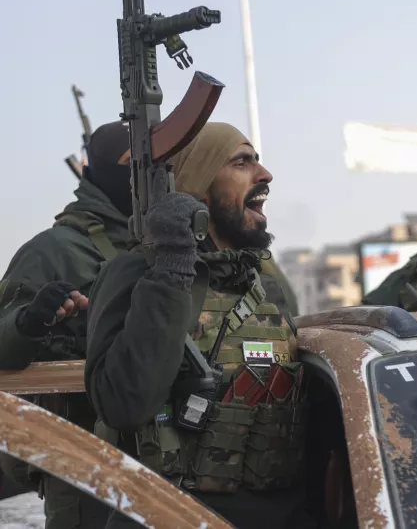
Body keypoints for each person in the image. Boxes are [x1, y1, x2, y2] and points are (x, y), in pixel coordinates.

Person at [84, 122, 308, 529]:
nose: (265, 175)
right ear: (199, 189)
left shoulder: (267, 288)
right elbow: (124, 403)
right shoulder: (139, 273)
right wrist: (171, 268)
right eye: (241, 162)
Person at [0, 120, 134, 529]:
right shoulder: (56, 250)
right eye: (132, 163)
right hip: (85, 470)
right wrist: (28, 323)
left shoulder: (182, 244)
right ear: (96, 173)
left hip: (178, 464)